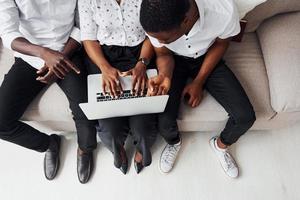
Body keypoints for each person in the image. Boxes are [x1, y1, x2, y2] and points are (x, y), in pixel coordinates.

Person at [140, 0, 256, 178]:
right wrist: (165, 75)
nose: (158, 41)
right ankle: (174, 143)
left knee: (245, 117)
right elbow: (163, 53)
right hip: (174, 61)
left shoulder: (223, 10)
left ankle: (220, 146)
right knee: (163, 122)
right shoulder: (154, 14)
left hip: (207, 57)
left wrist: (199, 82)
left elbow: (221, 43)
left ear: (186, 21)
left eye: (165, 39)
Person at [0, 0, 97, 184]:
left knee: (86, 112)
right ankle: (48, 144)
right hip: (31, 56)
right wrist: (44, 53)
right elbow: (8, 34)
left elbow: (82, 24)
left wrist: (60, 57)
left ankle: (84, 149)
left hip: (68, 51)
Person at [78, 0, 157, 174]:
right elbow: (88, 38)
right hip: (104, 57)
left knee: (143, 125)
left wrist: (142, 63)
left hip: (141, 53)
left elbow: (153, 34)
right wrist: (104, 68)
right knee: (110, 126)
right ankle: (118, 149)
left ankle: (141, 149)